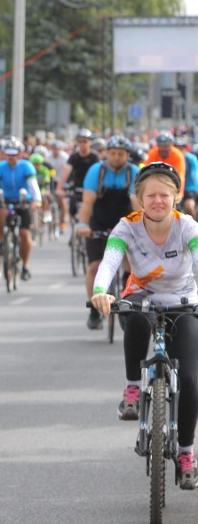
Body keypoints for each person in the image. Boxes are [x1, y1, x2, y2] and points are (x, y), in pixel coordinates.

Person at [90, 162, 198, 490]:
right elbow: (110, 260)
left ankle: (186, 453)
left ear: (175, 197)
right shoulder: (126, 227)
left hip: (183, 302)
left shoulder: (188, 227)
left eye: (164, 195)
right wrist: (99, 292)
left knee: (192, 380)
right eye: (150, 195)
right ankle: (133, 388)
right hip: (142, 296)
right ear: (139, 198)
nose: (157, 201)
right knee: (134, 314)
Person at [77, 136, 139, 329]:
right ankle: (95, 309)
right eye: (112, 153)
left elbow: (136, 202)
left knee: (132, 269)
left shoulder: (133, 172)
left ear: (127, 155)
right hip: (99, 223)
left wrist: (141, 226)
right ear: (106, 154)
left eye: (121, 154)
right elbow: (88, 201)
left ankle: (127, 298)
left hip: (126, 224)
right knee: (94, 268)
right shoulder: (97, 170)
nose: (116, 157)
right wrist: (83, 225)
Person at [0, 136, 42, 280]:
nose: (11, 157)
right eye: (8, 154)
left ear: (19, 154)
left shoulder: (26, 166)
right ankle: (2, 241)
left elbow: (33, 186)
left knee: (25, 235)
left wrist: (37, 200)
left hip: (23, 201)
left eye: (14, 154)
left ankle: (25, 266)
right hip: (6, 200)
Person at [55, 128, 99, 234]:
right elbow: (66, 170)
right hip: (77, 187)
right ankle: (74, 233)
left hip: (91, 189)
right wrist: (60, 187)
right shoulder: (74, 157)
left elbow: (99, 173)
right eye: (80, 141)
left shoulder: (94, 157)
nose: (83, 144)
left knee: (94, 211)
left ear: (90, 142)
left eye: (85, 141)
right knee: (72, 209)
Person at [175, 137, 198, 217]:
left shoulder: (190, 159)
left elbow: (194, 177)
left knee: (189, 206)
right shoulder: (174, 158)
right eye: (177, 147)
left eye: (182, 147)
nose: (179, 149)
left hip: (189, 188)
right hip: (176, 188)